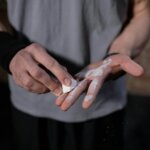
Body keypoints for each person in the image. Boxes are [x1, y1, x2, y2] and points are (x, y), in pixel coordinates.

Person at [0, 0, 150, 150]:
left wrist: (119, 52)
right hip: (28, 104)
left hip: (102, 103)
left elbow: (143, 10)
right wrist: (9, 50)